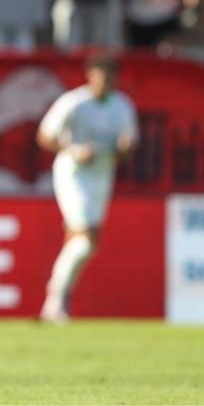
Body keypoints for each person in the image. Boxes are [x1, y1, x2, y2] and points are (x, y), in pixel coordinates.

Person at [37, 53, 138, 324]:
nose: (106, 82)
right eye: (101, 76)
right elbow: (45, 136)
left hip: (103, 175)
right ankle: (57, 295)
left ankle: (56, 302)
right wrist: (73, 150)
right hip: (73, 173)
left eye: (111, 77)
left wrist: (125, 149)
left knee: (86, 244)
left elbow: (127, 149)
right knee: (86, 236)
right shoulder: (73, 103)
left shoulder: (122, 107)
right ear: (90, 76)